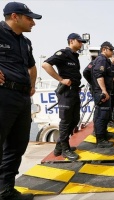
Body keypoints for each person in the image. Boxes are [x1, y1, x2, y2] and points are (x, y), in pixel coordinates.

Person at [0, 2, 41, 200]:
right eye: (29, 18)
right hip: (3, 95)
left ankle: (5, 190)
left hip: (22, 98)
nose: (33, 22)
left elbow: (32, 67)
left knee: (17, 145)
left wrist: (31, 85)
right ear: (15, 16)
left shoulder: (25, 42)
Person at [42, 33, 86, 161]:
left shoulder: (74, 56)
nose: (81, 44)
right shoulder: (63, 54)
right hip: (66, 92)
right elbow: (46, 65)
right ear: (71, 41)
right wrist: (61, 80)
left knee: (74, 120)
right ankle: (65, 150)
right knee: (66, 121)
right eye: (79, 41)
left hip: (74, 92)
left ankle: (59, 147)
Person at [91, 41, 114, 148]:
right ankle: (100, 139)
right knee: (101, 116)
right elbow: (99, 75)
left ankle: (103, 134)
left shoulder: (105, 61)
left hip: (103, 91)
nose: (112, 52)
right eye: (111, 50)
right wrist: (103, 90)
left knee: (105, 115)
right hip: (102, 92)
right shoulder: (101, 60)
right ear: (104, 49)